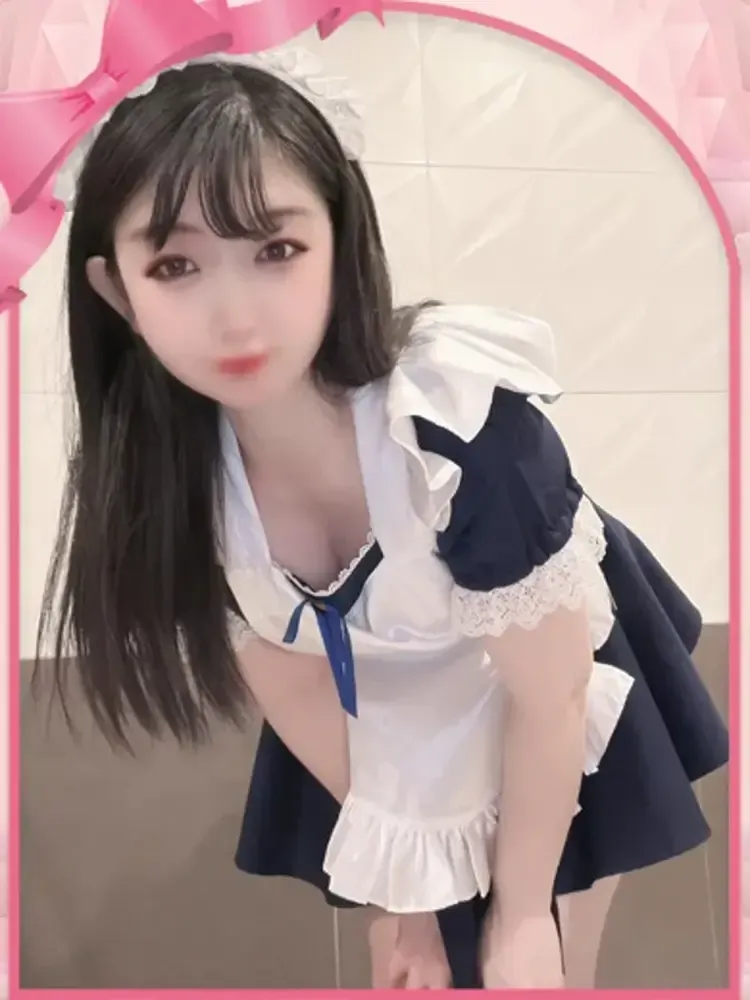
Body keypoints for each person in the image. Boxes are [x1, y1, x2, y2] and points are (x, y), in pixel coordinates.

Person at [36, 47, 729, 990]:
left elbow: (554, 695)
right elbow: (295, 686)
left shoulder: (459, 430)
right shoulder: (170, 490)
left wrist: (523, 916)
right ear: (119, 290)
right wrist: (411, 901)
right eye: (176, 265)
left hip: (554, 704)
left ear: (341, 233)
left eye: (277, 250)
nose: (235, 317)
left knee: (537, 967)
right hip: (392, 735)